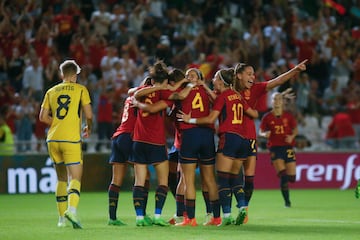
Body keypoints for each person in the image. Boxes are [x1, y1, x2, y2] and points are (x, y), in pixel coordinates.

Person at [177, 68, 258, 226]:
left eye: (215, 78)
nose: (213, 80)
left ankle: (220, 215)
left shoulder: (221, 96)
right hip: (242, 140)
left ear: (221, 81)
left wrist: (190, 119)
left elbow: (211, 117)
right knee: (233, 178)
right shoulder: (238, 96)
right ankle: (238, 207)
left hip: (226, 138)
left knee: (218, 179)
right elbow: (254, 114)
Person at [234, 60, 307, 222]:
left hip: (250, 138)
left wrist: (295, 70)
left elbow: (278, 80)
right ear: (238, 76)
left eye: (253, 74)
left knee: (250, 178)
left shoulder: (256, 89)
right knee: (231, 176)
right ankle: (226, 212)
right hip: (232, 136)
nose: (253, 77)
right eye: (249, 74)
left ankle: (244, 208)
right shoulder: (228, 90)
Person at [39, 60, 93, 229]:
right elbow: (89, 115)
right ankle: (72, 211)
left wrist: (57, 124)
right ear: (75, 75)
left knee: (61, 178)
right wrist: (88, 127)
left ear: (62, 74)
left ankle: (61, 220)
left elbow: (42, 117)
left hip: (53, 139)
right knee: (75, 178)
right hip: (71, 140)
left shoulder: (51, 91)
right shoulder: (81, 89)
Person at [130, 61, 173, 227]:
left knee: (139, 182)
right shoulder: (165, 94)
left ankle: (140, 218)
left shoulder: (141, 91)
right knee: (163, 181)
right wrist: (161, 88)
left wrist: (153, 88)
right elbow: (155, 109)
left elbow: (132, 94)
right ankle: (157, 216)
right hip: (155, 141)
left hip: (139, 140)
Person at [107, 77, 152, 226]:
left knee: (116, 180)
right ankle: (142, 214)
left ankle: (112, 218)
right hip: (130, 137)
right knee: (144, 175)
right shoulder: (142, 97)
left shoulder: (130, 98)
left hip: (118, 136)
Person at [259, 92, 298, 207]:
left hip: (288, 147)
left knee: (292, 178)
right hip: (275, 148)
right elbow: (260, 131)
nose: (276, 101)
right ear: (271, 101)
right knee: (283, 176)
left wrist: (292, 136)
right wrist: (264, 134)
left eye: (279, 99)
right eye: (274, 99)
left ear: (282, 101)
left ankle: (286, 199)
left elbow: (295, 130)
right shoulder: (267, 117)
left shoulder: (288, 116)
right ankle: (287, 202)